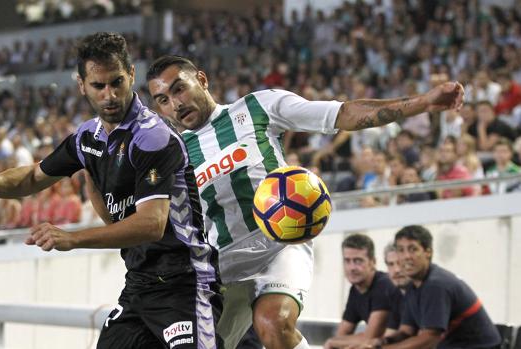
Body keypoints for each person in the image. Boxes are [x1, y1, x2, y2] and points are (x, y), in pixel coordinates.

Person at [145, 55, 464, 349]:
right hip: (224, 266)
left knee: (273, 323)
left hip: (281, 245)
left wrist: (423, 102)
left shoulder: (257, 107)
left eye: (179, 89)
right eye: (163, 100)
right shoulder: (172, 157)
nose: (175, 104)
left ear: (201, 79)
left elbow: (344, 114)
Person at [0, 33, 223, 349]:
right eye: (99, 86)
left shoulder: (153, 137)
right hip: (139, 285)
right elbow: (32, 177)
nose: (110, 95)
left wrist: (73, 238)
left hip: (187, 285)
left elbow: (152, 224)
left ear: (131, 75)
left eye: (117, 82)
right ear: (82, 85)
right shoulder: (86, 139)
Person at [367, 225, 501, 349]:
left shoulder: (436, 284)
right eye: (401, 250)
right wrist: (380, 342)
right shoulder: (412, 286)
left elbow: (430, 338)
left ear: (428, 252)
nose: (406, 256)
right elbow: (406, 332)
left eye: (413, 249)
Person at [323, 234, 400, 349]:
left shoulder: (384, 284)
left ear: (373, 262)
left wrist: (333, 342)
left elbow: (370, 338)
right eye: (347, 261)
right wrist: (334, 342)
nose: (352, 267)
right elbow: (342, 334)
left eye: (358, 261)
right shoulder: (355, 289)